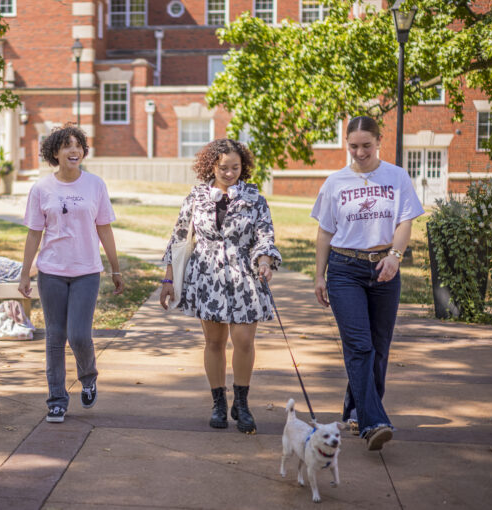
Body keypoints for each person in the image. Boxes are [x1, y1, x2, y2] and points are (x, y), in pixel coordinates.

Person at [311, 115, 424, 451]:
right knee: (360, 346)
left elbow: (404, 221)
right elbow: (325, 231)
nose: (359, 153)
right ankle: (373, 422)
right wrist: (320, 275)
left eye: (366, 145)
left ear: (379, 142)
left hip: (385, 269)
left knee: (379, 349)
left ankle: (357, 408)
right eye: (353, 147)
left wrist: (395, 256)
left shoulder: (396, 176)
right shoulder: (335, 182)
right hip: (345, 268)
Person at [159, 138, 281, 434]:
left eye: (235, 167)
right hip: (207, 276)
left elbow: (265, 235)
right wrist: (168, 279)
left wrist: (265, 259)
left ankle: (242, 403)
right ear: (211, 166)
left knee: (243, 341)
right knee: (214, 342)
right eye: (223, 167)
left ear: (244, 167)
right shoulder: (196, 196)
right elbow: (178, 237)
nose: (229, 173)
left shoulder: (255, 198)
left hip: (245, 276)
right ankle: (218, 403)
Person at [18, 124, 124, 424]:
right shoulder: (41, 189)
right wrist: (26, 272)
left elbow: (104, 227)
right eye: (67, 145)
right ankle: (56, 400)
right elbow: (33, 234)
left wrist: (115, 268)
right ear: (55, 152)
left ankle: (88, 377)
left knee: (78, 335)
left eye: (78, 145)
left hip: (87, 271)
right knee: (55, 337)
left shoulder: (95, 185)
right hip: (50, 271)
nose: (74, 150)